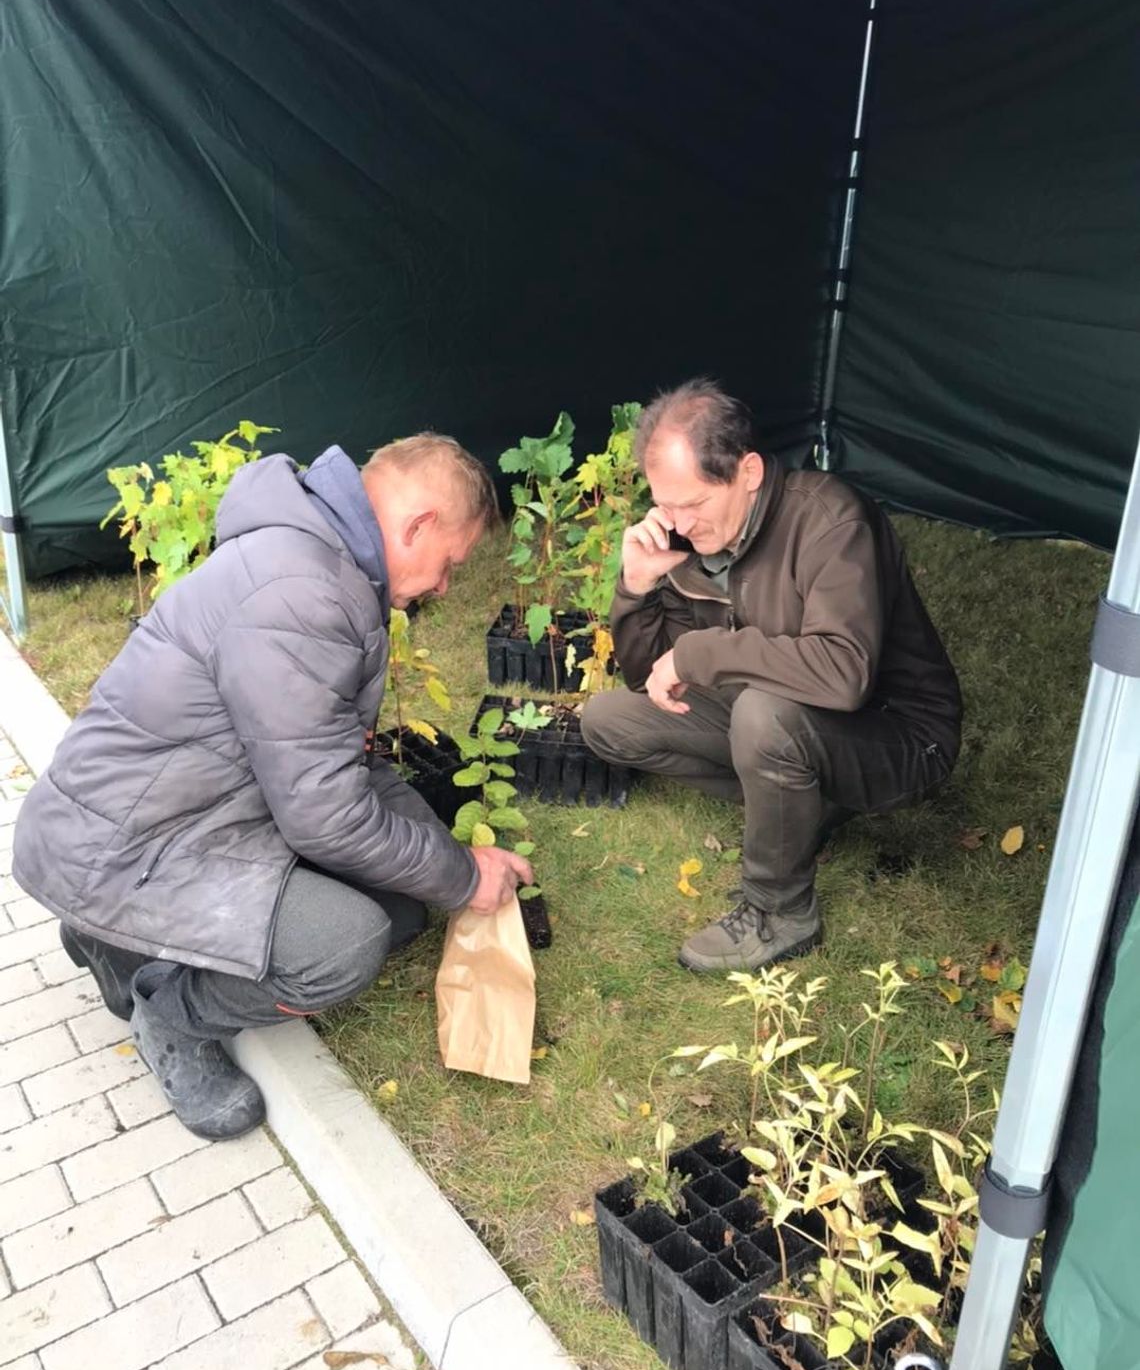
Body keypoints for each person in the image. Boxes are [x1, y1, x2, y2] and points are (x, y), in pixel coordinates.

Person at [13, 435, 532, 1139]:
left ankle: (111, 936)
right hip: (125, 844)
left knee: (407, 901)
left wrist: (446, 864)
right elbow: (325, 815)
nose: (444, 588)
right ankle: (168, 1015)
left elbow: (341, 759)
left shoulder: (317, 560)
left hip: (165, 819)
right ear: (418, 526)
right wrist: (463, 873)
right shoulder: (304, 594)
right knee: (344, 945)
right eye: (450, 565)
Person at [581, 379, 962, 973]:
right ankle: (799, 803)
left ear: (749, 471)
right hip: (783, 715)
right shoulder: (690, 538)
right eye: (666, 503)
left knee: (764, 719)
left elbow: (844, 674)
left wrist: (703, 654)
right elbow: (648, 677)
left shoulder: (831, 520)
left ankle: (781, 911)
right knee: (607, 722)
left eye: (695, 503)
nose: (677, 522)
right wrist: (636, 587)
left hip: (899, 734)